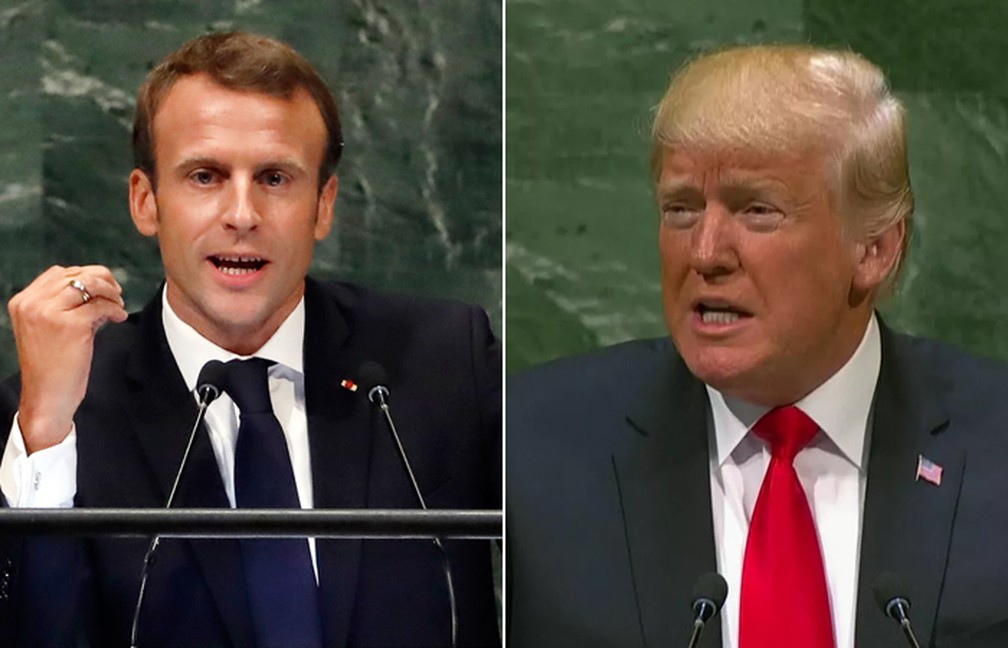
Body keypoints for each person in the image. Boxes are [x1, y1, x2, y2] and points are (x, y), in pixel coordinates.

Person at [0, 32, 501, 647]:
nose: (242, 214)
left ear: (323, 205)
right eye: (206, 176)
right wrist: (46, 432)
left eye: (274, 177)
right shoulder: (60, 412)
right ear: (145, 201)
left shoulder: (444, 362)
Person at [506, 44, 1008, 648]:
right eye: (682, 209)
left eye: (757, 210)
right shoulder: (527, 448)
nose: (706, 253)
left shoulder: (994, 443)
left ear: (873, 249)